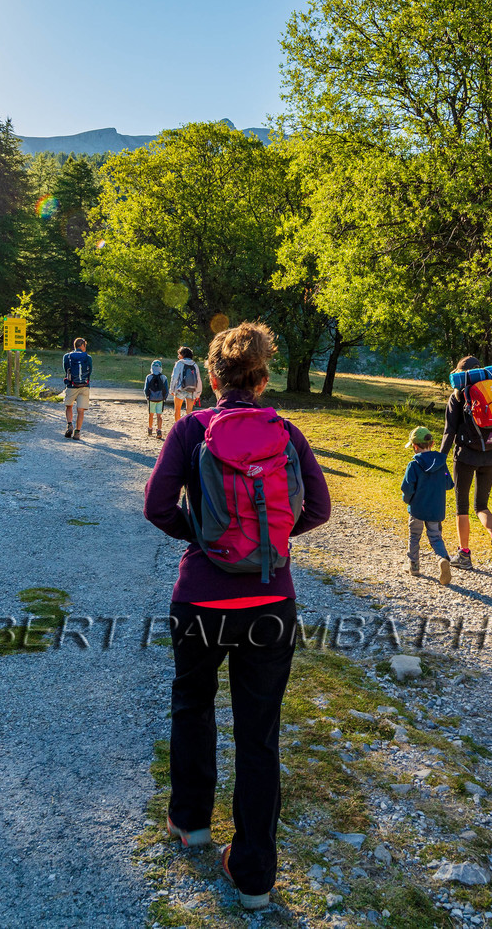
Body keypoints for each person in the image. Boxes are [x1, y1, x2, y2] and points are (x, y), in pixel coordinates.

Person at [143, 322, 331, 910]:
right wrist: (269, 546)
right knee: (259, 734)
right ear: (263, 375)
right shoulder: (287, 432)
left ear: (214, 376)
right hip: (272, 601)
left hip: (201, 596)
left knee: (192, 705)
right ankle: (253, 876)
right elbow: (319, 508)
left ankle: (191, 822)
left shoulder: (190, 428)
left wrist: (204, 539)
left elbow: (155, 506)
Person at [439, 355, 492, 570]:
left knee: (462, 507)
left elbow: (449, 431)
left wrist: (440, 459)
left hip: (465, 457)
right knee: (481, 506)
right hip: (491, 455)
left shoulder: (458, 396)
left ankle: (464, 554)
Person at [400, 426, 454, 584]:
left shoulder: (413, 465)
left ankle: (414, 566)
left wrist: (407, 500)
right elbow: (449, 483)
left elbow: (407, 488)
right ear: (433, 443)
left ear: (415, 446)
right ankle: (442, 559)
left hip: (417, 509)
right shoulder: (441, 464)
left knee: (414, 536)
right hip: (435, 510)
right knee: (436, 537)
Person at [62, 337, 92, 439]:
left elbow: (66, 370)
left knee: (69, 406)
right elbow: (90, 372)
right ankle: (77, 432)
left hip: (71, 385)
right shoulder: (88, 357)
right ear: (82, 345)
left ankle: (69, 424)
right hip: (84, 386)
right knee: (80, 410)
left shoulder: (67, 356)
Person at [171, 345, 203, 419]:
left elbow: (174, 377)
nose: (178, 356)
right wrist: (198, 393)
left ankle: (178, 428)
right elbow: (198, 379)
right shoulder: (194, 364)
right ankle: (188, 428)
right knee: (189, 412)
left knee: (177, 409)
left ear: (183, 355)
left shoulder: (179, 363)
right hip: (191, 390)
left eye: (179, 354)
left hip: (180, 389)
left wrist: (171, 389)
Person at [144, 360, 170, 439]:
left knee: (151, 414)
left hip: (151, 398)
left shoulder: (149, 377)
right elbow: (166, 389)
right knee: (159, 416)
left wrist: (147, 397)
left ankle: (150, 428)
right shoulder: (163, 377)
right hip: (160, 399)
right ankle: (159, 430)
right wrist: (164, 397)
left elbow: (146, 389)